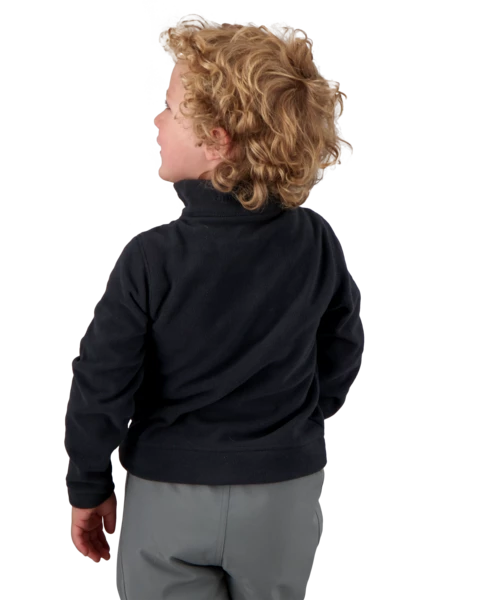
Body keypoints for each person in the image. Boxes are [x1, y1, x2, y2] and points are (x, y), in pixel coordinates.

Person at [66, 13, 364, 600]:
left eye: (170, 109)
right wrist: (299, 421)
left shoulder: (152, 259)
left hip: (168, 492)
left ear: (217, 141)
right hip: (281, 491)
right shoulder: (314, 240)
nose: (158, 119)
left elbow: (101, 382)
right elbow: (343, 346)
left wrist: (87, 484)